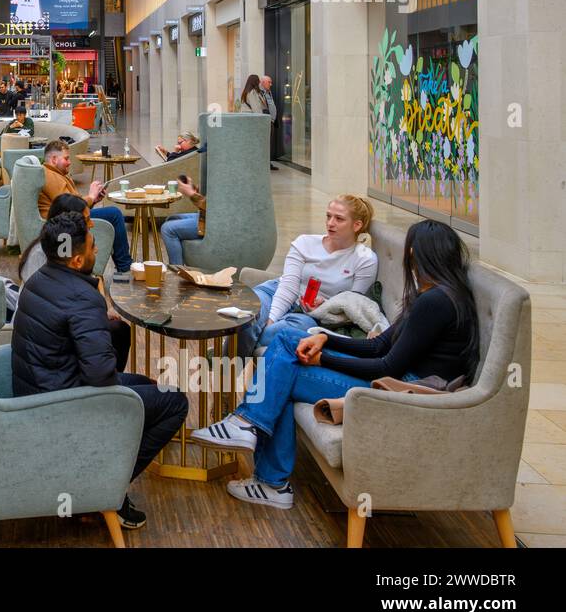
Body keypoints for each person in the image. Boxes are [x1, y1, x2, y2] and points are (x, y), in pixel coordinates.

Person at [193, 219, 479, 510]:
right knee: (289, 340)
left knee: (285, 371)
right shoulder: (439, 295)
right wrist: (325, 340)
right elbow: (379, 345)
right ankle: (251, 434)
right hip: (397, 378)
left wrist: (323, 358)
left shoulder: (434, 303)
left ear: (415, 255)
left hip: (400, 391)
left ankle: (263, 461)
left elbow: (386, 367)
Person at [12, 211, 189, 529]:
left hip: (37, 390)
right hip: (62, 403)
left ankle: (100, 474)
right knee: (176, 402)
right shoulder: (82, 297)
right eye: (93, 248)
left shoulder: (39, 278)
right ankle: (102, 487)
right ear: (77, 260)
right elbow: (101, 376)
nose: (97, 253)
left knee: (148, 384)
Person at [241, 195, 378, 355]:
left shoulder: (365, 259)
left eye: (339, 219)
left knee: (294, 329)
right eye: (328, 216)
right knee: (247, 317)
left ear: (356, 225)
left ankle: (235, 359)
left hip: (312, 314)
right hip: (276, 292)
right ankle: (225, 373)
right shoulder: (305, 243)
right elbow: (288, 286)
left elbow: (354, 304)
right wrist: (270, 320)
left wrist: (326, 304)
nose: (330, 223)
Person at [37, 139, 132, 281]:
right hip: (64, 221)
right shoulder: (49, 176)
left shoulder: (58, 174)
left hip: (69, 216)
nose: (69, 162)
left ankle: (124, 267)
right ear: (54, 159)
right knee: (114, 214)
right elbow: (68, 207)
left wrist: (92, 200)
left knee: (113, 213)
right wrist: (91, 196)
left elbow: (73, 202)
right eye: (66, 158)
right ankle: (125, 268)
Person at [158, 173, 208, 266]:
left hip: (212, 221)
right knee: (171, 219)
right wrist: (195, 189)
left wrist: (192, 194)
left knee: (167, 229)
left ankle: (177, 270)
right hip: (206, 216)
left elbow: (214, 208)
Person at [260, 74, 280, 170]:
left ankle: (268, 163)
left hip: (271, 121)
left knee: (270, 144)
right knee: (266, 144)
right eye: (269, 82)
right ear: (263, 82)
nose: (271, 84)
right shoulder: (260, 93)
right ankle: (265, 164)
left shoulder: (268, 92)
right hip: (266, 121)